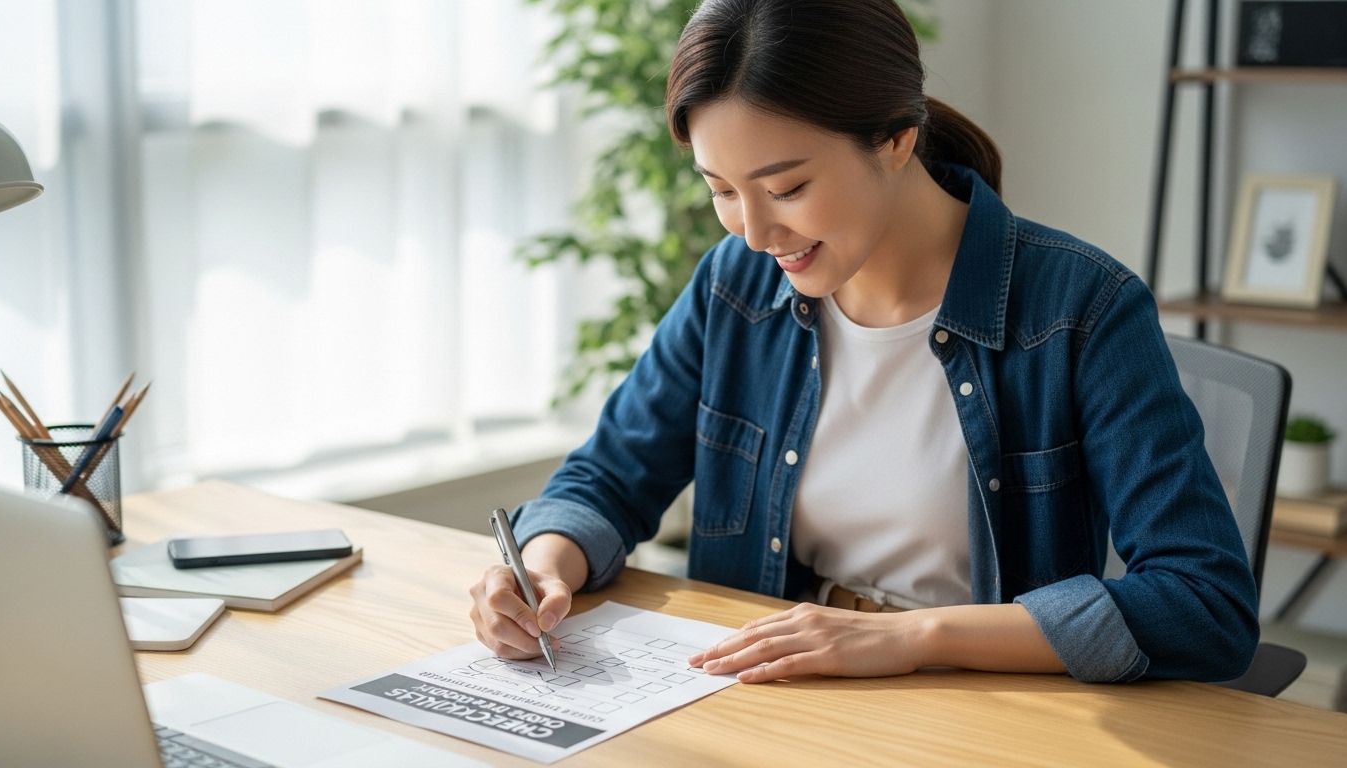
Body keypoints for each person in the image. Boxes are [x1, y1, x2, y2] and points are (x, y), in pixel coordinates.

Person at [469, 0, 1258, 685]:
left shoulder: (1081, 308)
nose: (753, 231)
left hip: (982, 711)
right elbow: (610, 475)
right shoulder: (734, 288)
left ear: (895, 139)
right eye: (720, 191)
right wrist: (542, 566)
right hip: (767, 697)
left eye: (787, 189)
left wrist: (912, 637)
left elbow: (1203, 602)